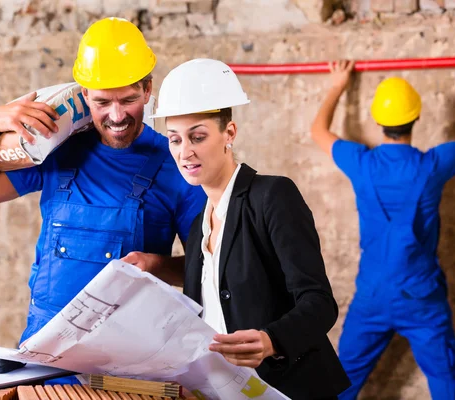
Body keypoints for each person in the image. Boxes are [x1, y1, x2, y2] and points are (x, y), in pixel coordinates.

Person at [0, 17, 206, 373]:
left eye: (128, 99)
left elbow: (208, 271)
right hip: (42, 358)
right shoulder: (57, 151)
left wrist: (154, 265)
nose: (117, 116)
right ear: (83, 95)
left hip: (128, 366)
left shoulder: (177, 166)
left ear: (147, 90)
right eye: (102, 102)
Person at [149, 58, 351, 400]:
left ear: (229, 133)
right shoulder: (200, 225)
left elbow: (319, 303)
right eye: (175, 140)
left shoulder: (272, 196)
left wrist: (273, 340)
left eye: (197, 137)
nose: (185, 152)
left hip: (289, 388)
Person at [310, 60, 455, 399]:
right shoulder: (433, 165)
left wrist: (338, 85)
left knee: (339, 384)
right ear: (417, 117)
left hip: (373, 295)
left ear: (378, 121)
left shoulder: (361, 164)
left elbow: (319, 131)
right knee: (444, 382)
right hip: (421, 296)